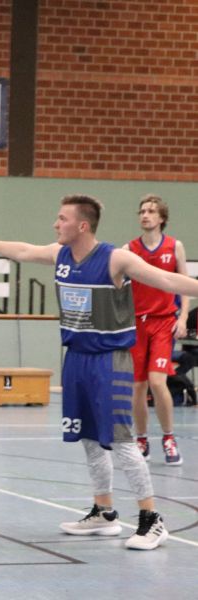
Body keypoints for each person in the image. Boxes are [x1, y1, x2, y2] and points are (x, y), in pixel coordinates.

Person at [0, 194, 198, 551]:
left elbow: (168, 280)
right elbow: (23, 250)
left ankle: (152, 519)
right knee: (88, 438)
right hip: (76, 358)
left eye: (62, 219)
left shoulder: (115, 259)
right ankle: (104, 512)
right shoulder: (60, 255)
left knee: (121, 441)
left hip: (110, 360)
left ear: (82, 226)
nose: (56, 224)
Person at [122, 194, 188, 466]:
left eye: (150, 211)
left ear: (162, 218)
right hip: (137, 323)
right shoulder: (129, 249)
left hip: (163, 322)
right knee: (137, 386)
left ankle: (169, 437)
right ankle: (141, 439)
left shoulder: (174, 246)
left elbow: (184, 284)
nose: (145, 215)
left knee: (158, 382)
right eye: (142, 211)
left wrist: (183, 318)